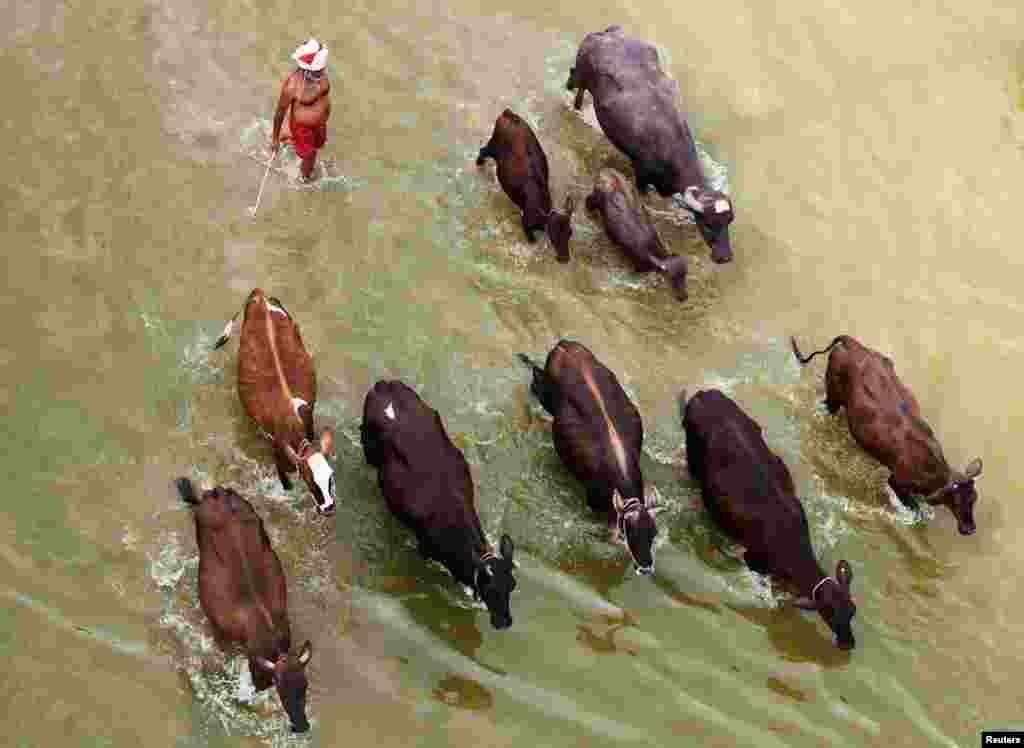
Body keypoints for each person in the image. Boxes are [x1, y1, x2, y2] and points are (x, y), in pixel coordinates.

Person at [271, 39, 332, 182]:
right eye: (316, 72)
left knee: (318, 145)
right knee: (310, 155)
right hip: (302, 128)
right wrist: (274, 139)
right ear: (305, 69)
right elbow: (280, 112)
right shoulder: (292, 86)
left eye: (320, 70)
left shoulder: (321, 73)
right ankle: (305, 179)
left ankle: (289, 137)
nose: (320, 74)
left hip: (320, 124)